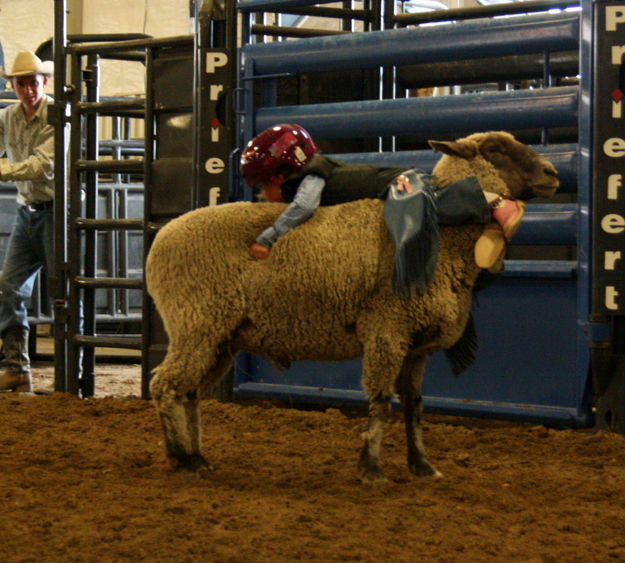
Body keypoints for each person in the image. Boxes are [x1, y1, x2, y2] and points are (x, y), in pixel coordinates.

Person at [241, 124, 524, 281]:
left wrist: (268, 238)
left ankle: (497, 204)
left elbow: (303, 207)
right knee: (431, 203)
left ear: (281, 175)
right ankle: (488, 222)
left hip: (398, 186)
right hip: (397, 182)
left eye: (264, 186)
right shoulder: (317, 168)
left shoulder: (310, 178)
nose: (264, 196)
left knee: (427, 208)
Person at [0, 51, 55, 392]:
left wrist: (2, 169)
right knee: (7, 288)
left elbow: (43, 165)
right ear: (14, 86)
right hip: (28, 211)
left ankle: (72, 371)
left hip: (57, 211)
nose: (28, 90)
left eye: (32, 83)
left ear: (43, 82)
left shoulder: (55, 114)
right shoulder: (8, 117)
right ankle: (16, 368)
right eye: (21, 84)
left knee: (65, 292)